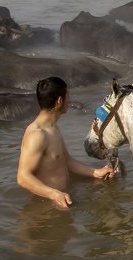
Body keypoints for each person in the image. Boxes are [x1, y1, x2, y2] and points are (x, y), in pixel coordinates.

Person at [17, 76, 117, 209]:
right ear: (59, 100)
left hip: (62, 200)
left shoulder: (53, 128)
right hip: (46, 208)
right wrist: (54, 194)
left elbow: (68, 162)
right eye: (67, 94)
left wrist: (96, 172)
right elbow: (23, 177)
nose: (69, 99)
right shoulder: (37, 135)